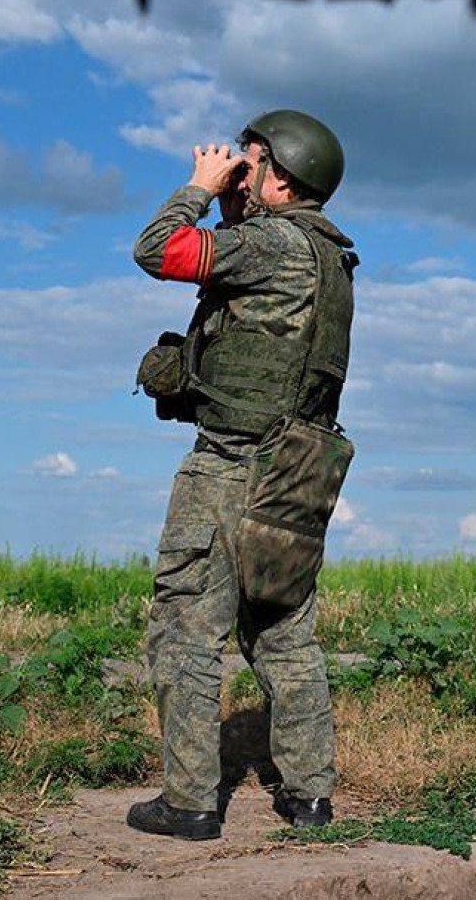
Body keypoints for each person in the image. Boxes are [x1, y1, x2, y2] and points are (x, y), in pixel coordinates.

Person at [127, 109, 357, 840]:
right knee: (283, 632)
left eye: (247, 160)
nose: (232, 165)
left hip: (231, 466)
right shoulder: (329, 257)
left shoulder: (266, 244)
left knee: (187, 631)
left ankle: (191, 802)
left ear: (282, 179)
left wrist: (196, 187)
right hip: (296, 467)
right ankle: (309, 797)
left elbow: (157, 251)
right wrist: (234, 195)